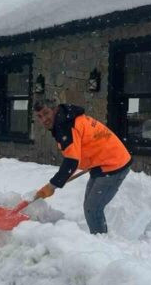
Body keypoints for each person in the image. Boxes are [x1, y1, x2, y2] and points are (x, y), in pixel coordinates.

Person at [33, 100, 131, 234]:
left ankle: (100, 244)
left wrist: (52, 185)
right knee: (90, 207)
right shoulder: (66, 118)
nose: (44, 119)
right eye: (39, 116)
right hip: (102, 163)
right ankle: (99, 237)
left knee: (93, 208)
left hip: (113, 165)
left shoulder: (66, 125)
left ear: (54, 110)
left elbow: (72, 162)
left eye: (46, 113)